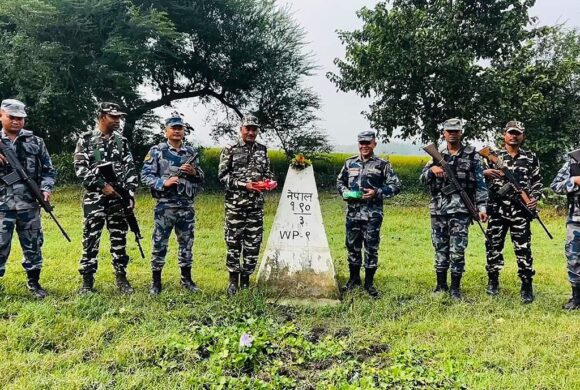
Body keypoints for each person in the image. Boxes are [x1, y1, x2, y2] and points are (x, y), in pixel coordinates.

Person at [420, 118, 488, 299]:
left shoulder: (472, 154)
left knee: (457, 250)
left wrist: (482, 208)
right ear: (444, 133)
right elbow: (422, 179)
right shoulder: (436, 155)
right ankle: (441, 286)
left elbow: (481, 184)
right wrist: (432, 170)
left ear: (461, 133)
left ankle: (455, 289)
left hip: (461, 211)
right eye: (449, 131)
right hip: (438, 210)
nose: (452, 134)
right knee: (440, 248)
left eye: (455, 131)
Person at [74, 102, 138, 294]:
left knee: (119, 238)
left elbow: (130, 169)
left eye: (119, 117)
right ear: (102, 116)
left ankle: (121, 277)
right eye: (114, 117)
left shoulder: (122, 141)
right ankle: (87, 281)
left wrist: (130, 194)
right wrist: (102, 186)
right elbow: (80, 169)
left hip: (118, 199)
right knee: (91, 239)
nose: (118, 120)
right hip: (95, 199)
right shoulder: (86, 140)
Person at [141, 112, 204, 295]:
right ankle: (156, 281)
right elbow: (145, 176)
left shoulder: (190, 152)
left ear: (184, 131)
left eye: (180, 128)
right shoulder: (157, 151)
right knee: (160, 243)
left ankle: (186, 279)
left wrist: (193, 173)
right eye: (173, 128)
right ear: (166, 131)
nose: (177, 131)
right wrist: (163, 183)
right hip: (165, 206)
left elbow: (201, 177)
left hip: (186, 206)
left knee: (187, 243)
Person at [0, 99, 56, 298]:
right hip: (2, 206)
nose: (16, 121)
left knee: (33, 245)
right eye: (12, 117)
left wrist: (46, 189)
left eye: (20, 118)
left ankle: (34, 283)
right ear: (1, 116)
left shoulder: (36, 141)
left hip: (29, 204)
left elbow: (49, 170)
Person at [336, 131, 401, 299]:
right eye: (361, 143)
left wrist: (377, 192)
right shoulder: (350, 163)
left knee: (371, 248)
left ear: (374, 144)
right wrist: (344, 192)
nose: (364, 146)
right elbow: (340, 181)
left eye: (367, 143)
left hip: (373, 214)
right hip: (353, 213)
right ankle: (354, 279)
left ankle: (369, 283)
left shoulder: (382, 164)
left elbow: (396, 186)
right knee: (352, 245)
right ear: (358, 144)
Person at [483, 121, 542, 304]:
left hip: (521, 212)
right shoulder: (493, 156)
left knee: (523, 249)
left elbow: (538, 181)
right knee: (493, 247)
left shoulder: (530, 157)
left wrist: (534, 199)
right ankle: (493, 282)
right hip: (497, 210)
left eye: (517, 133)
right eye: (511, 133)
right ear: (504, 135)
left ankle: (526, 285)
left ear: (522, 136)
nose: (514, 136)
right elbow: (478, 180)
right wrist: (485, 172)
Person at [217, 114, 274, 296]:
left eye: (254, 129)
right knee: (233, 242)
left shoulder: (262, 150)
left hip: (255, 206)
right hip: (235, 205)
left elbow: (267, 173)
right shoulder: (230, 149)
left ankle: (246, 280)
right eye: (247, 128)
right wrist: (244, 185)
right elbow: (223, 176)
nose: (251, 132)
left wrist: (269, 182)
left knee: (253, 243)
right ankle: (233, 280)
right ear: (241, 129)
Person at [550, 150, 580, 310]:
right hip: (576, 222)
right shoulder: (572, 164)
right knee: (574, 260)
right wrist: (574, 181)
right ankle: (576, 297)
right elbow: (555, 186)